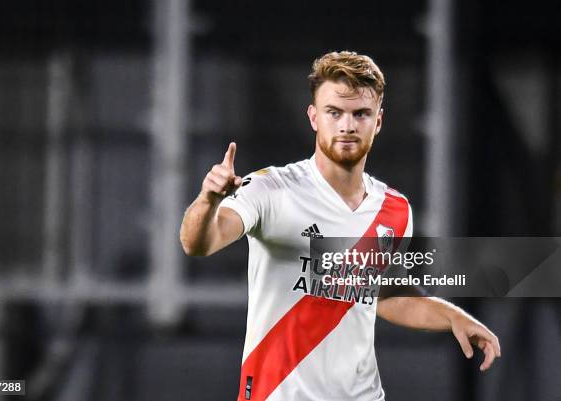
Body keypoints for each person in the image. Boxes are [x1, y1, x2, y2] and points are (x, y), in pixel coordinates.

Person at [180, 51, 501, 401]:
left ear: (378, 121)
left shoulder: (395, 210)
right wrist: (208, 198)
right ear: (314, 117)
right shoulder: (271, 188)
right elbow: (199, 243)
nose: (347, 125)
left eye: (360, 114)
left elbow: (382, 294)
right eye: (335, 113)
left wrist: (452, 316)